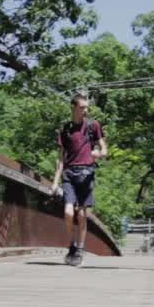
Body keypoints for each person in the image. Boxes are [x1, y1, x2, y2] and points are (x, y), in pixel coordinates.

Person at [50, 91, 108, 266]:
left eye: (86, 108)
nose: (85, 111)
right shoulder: (65, 130)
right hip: (69, 175)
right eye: (82, 108)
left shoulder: (93, 126)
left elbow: (105, 150)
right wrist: (54, 182)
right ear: (73, 107)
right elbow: (60, 159)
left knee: (82, 214)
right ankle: (71, 246)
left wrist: (98, 153)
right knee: (68, 212)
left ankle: (80, 249)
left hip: (86, 175)